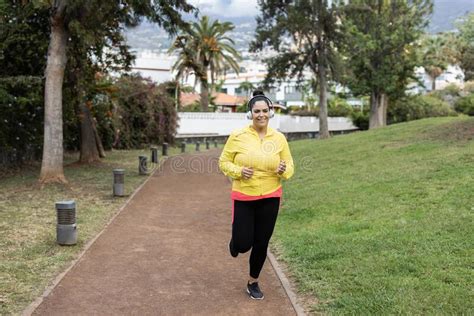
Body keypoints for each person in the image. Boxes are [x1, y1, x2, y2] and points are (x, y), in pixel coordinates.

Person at [218, 90, 294, 300]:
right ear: (250, 114)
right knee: (243, 244)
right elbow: (223, 162)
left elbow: (289, 165)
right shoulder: (238, 136)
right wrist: (239, 172)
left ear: (271, 112)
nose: (261, 114)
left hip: (270, 195)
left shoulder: (279, 138)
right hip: (244, 194)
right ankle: (235, 244)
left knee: (262, 242)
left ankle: (253, 281)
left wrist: (283, 170)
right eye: (256, 111)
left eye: (265, 110)